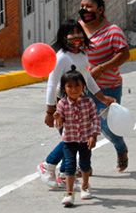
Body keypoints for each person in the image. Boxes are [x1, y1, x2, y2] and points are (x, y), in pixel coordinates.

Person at [38, 20, 114, 189]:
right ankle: (48, 165)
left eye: (79, 33)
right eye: (71, 34)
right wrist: (50, 111)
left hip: (79, 102)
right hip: (63, 104)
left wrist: (102, 98)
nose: (76, 38)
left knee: (75, 137)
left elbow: (87, 79)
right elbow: (52, 84)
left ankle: (65, 173)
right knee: (70, 139)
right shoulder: (61, 58)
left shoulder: (81, 56)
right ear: (64, 37)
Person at [78, 0, 131, 172]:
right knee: (82, 128)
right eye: (82, 6)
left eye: (89, 6)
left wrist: (102, 68)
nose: (85, 10)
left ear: (100, 9)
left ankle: (120, 148)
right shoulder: (77, 29)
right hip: (82, 89)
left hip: (108, 87)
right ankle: (84, 166)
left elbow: (124, 54)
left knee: (106, 125)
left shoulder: (112, 31)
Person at [54, 67, 101, 207]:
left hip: (86, 139)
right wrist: (58, 118)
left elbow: (96, 119)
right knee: (69, 165)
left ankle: (85, 186)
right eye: (69, 86)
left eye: (77, 86)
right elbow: (59, 124)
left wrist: (94, 135)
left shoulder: (89, 102)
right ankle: (69, 194)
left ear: (83, 86)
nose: (73, 89)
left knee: (85, 164)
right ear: (64, 88)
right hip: (69, 140)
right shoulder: (62, 104)